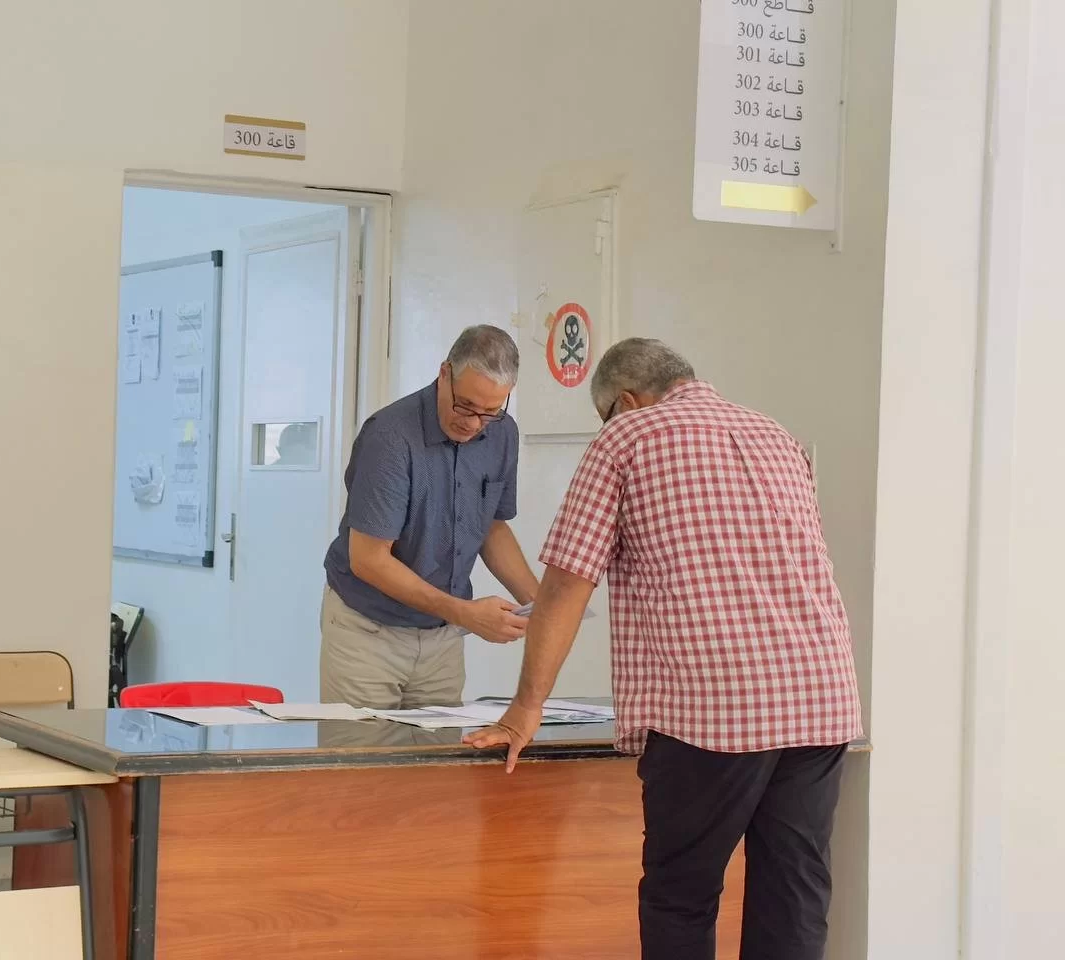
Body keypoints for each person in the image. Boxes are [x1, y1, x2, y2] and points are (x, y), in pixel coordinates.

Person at [465, 338, 862, 960]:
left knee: (681, 897)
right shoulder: (774, 433)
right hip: (819, 697)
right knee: (794, 897)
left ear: (625, 401)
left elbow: (567, 582)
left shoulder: (627, 438)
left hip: (717, 707)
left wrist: (525, 708)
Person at [321, 325, 539, 710]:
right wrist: (466, 614)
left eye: (490, 412)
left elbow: (490, 526)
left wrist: (541, 603)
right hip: (369, 631)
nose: (473, 423)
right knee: (363, 750)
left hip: (441, 639)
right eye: (465, 406)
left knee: (439, 749)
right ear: (444, 373)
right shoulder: (390, 436)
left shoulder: (503, 434)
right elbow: (368, 560)